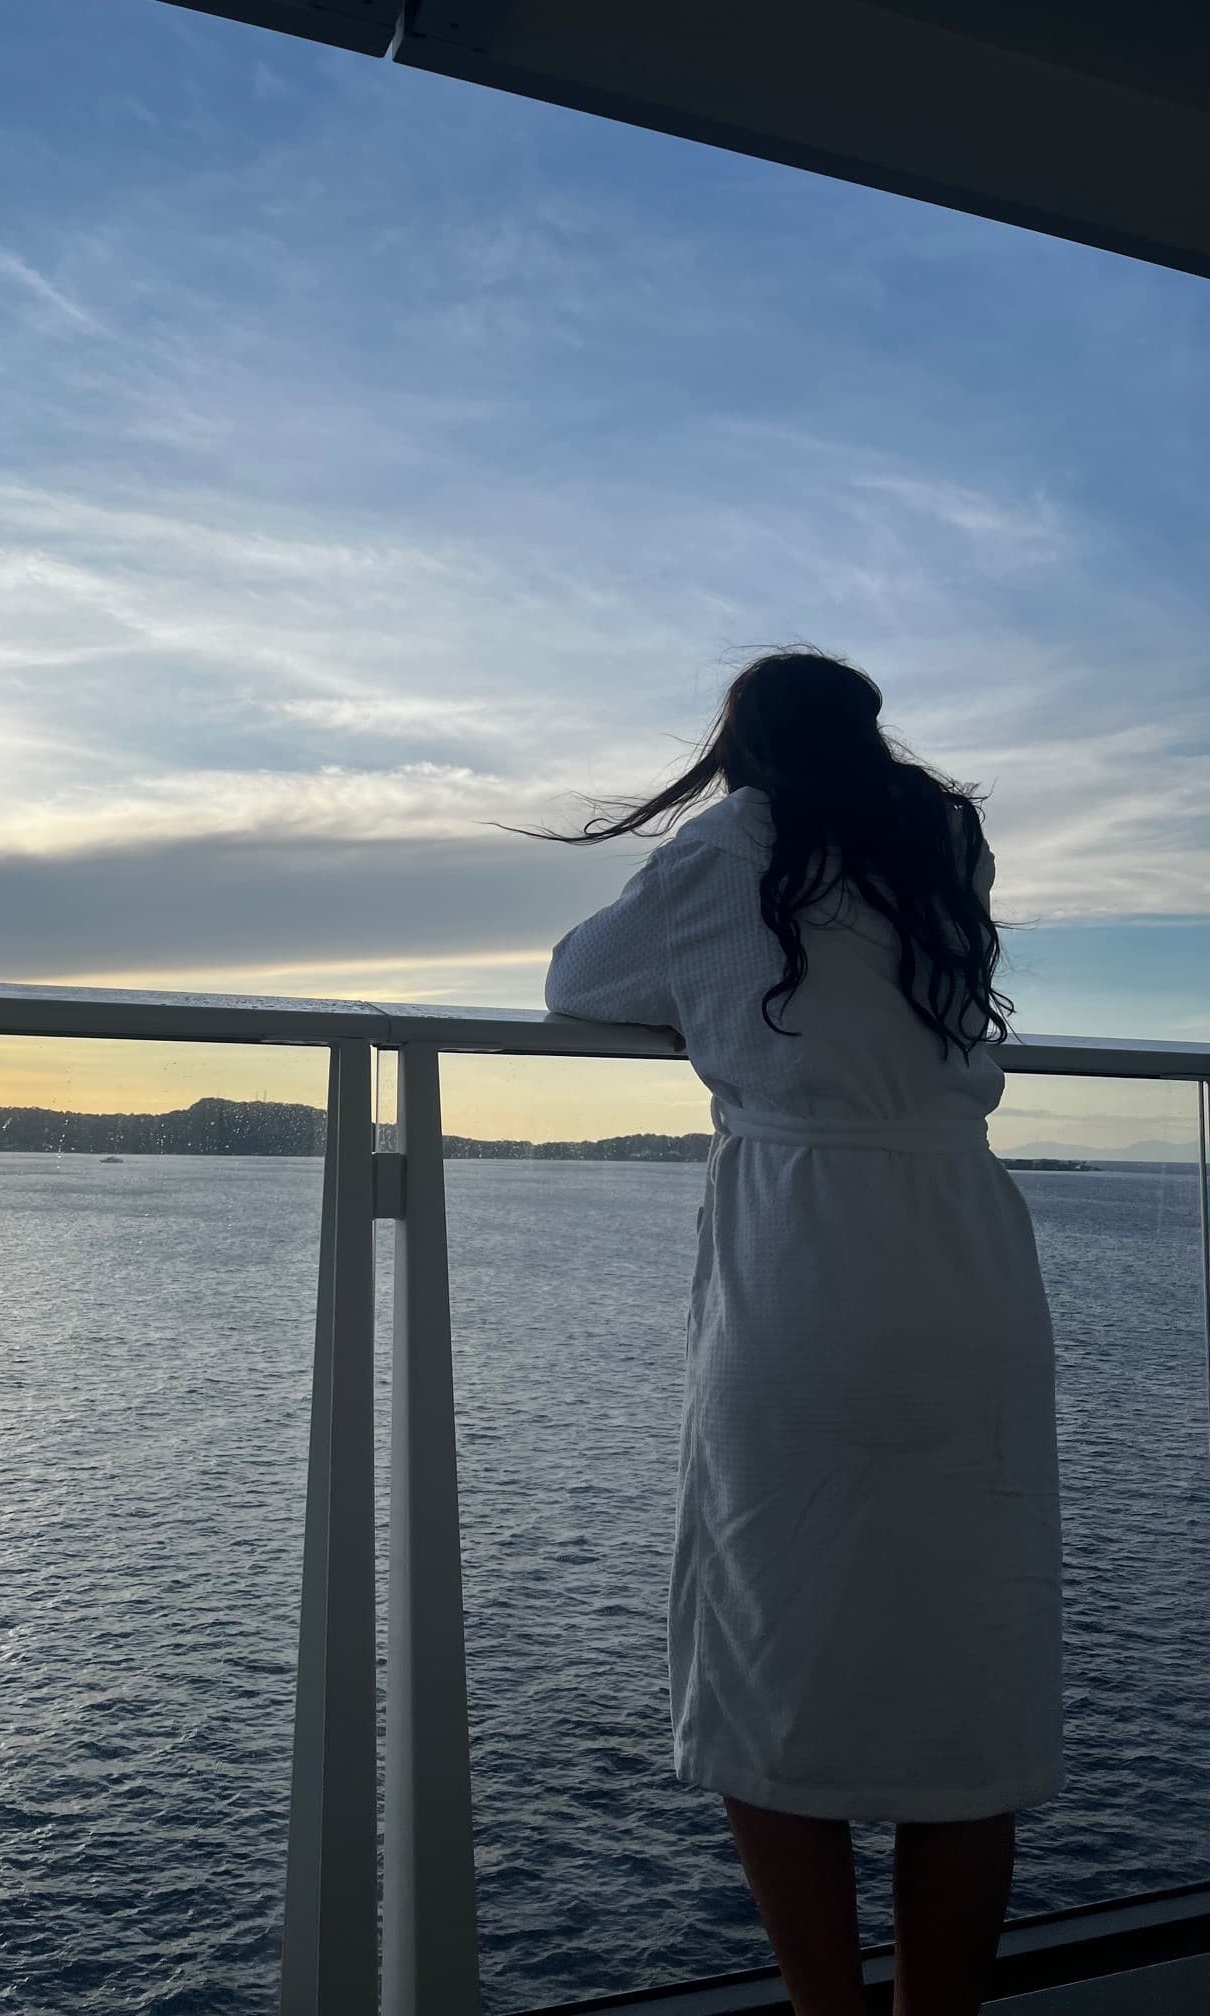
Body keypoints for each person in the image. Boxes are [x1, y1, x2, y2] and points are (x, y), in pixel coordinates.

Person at [529, 649, 1062, 2016]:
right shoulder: (943, 844)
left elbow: (577, 982)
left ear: (740, 744)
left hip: (806, 1271)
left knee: (773, 1671)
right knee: (965, 1683)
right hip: (968, 1264)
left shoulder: (725, 854)